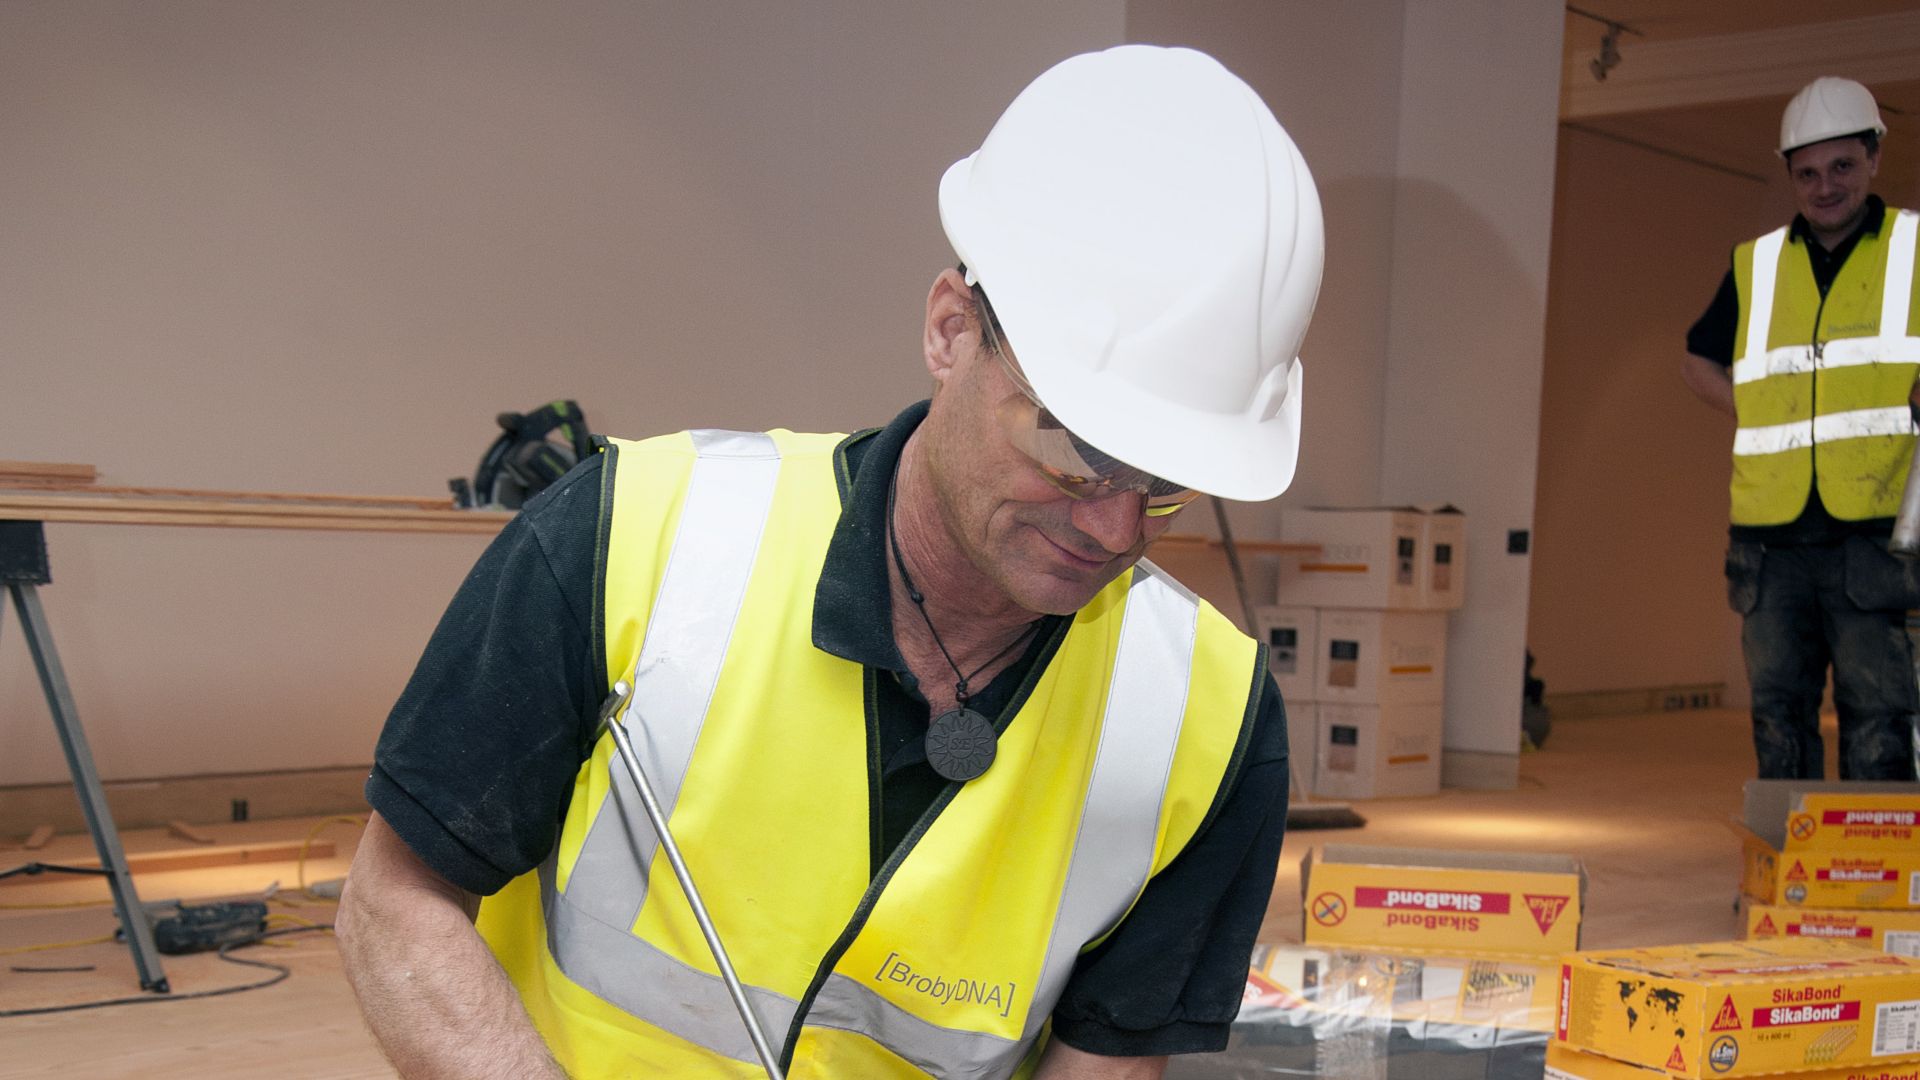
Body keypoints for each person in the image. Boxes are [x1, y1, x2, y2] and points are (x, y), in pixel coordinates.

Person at [336, 44, 1324, 1079]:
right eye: (1079, 451)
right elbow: (395, 906)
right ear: (951, 330)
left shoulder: (1204, 723)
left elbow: (1106, 1066)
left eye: (1167, 482)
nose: (1119, 529)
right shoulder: (636, 540)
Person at [1681, 75, 1920, 781]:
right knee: (1777, 716)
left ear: (1874, 158)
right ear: (1790, 174)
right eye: (1807, 173)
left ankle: (1874, 881)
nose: (1825, 187)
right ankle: (1789, 875)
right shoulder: (1755, 264)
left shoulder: (1913, 249)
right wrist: (1756, 407)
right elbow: (1697, 358)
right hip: (1771, 542)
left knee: (1880, 715)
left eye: (1842, 166)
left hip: (1874, 534)